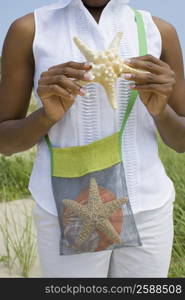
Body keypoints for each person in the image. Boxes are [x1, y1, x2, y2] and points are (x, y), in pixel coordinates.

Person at [0, 0, 185, 278]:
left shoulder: (159, 31)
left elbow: (180, 141)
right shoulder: (30, 29)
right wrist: (47, 116)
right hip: (67, 209)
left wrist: (161, 111)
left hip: (148, 208)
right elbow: (5, 142)